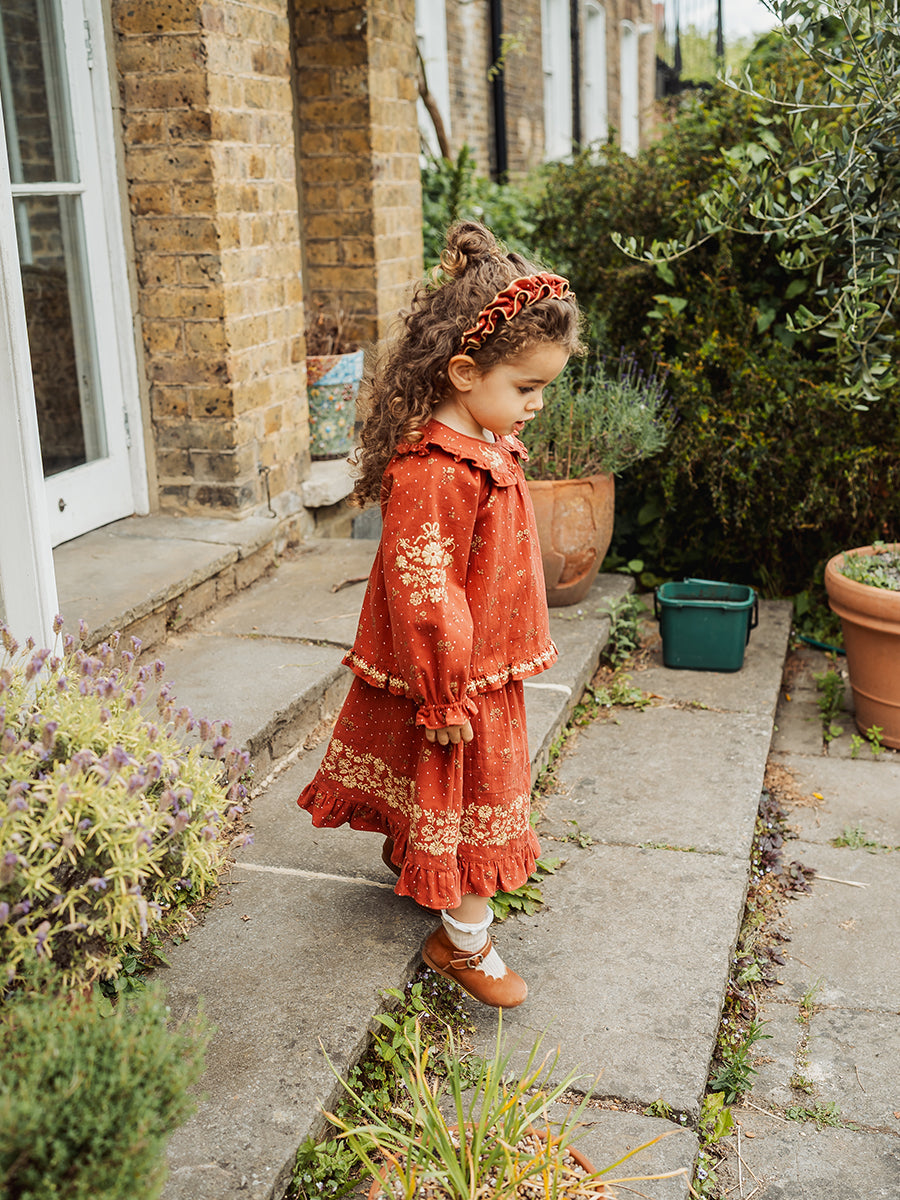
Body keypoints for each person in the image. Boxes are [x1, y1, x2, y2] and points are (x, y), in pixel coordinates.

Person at [297, 220, 581, 1007]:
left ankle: (421, 858)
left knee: (442, 784)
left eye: (544, 389)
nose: (536, 405)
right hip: (457, 678)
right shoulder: (435, 472)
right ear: (463, 371)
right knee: (478, 792)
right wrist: (444, 692)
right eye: (525, 388)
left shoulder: (482, 445)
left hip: (482, 667)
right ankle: (463, 941)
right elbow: (425, 588)